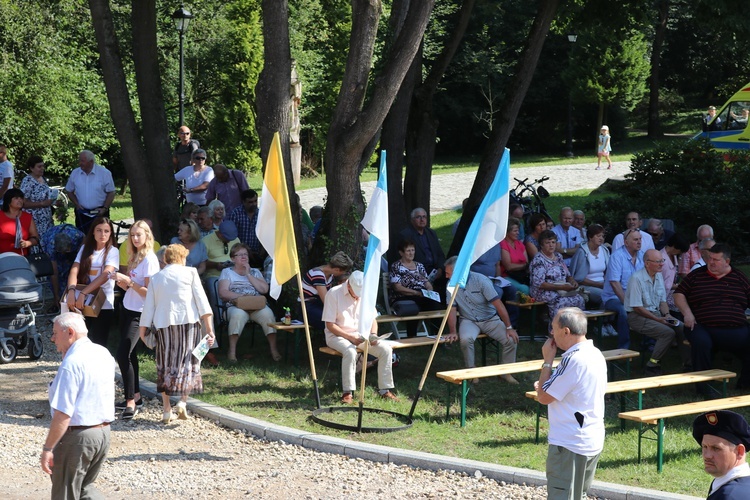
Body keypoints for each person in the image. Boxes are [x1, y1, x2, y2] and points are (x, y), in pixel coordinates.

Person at [534, 307, 607, 500]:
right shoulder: (595, 354)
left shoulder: (573, 360)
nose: (551, 333)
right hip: (590, 437)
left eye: (553, 328)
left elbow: (543, 397)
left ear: (565, 331)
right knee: (578, 495)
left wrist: (547, 361)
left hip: (570, 443)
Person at [41, 313, 115, 499]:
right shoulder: (103, 352)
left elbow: (63, 414)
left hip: (78, 437)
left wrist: (48, 449)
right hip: (102, 433)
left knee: (65, 493)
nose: (52, 338)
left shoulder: (72, 364)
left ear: (70, 332)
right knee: (84, 489)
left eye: (55, 333)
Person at [139, 244, 215, 424]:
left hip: (163, 324)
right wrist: (209, 329)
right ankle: (182, 401)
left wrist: (143, 331)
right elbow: (202, 302)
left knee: (165, 364)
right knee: (190, 360)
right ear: (182, 258)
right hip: (189, 323)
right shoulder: (191, 273)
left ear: (165, 259)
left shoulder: (157, 278)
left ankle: (166, 410)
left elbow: (149, 306)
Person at [674, 244, 750, 389]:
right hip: (703, 326)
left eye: (716, 260)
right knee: (701, 342)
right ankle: (705, 387)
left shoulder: (739, 277)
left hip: (736, 328)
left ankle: (745, 384)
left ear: (727, 262)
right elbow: (679, 293)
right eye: (710, 258)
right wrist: (687, 313)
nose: (711, 262)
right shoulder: (697, 275)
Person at [322, 270, 398, 403]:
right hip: (337, 335)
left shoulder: (366, 293)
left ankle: (384, 390)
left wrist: (373, 335)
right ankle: (348, 392)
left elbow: (372, 319)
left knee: (386, 349)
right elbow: (330, 325)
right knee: (350, 351)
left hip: (360, 335)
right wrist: (350, 338)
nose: (358, 297)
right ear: (349, 285)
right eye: (355, 293)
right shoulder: (333, 293)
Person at [443, 256, 519, 383]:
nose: (446, 276)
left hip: (490, 319)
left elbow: (498, 304)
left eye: (448, 273)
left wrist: (509, 327)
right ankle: (471, 372)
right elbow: (451, 309)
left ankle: (506, 372)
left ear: (458, 272)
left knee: (511, 340)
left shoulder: (481, 280)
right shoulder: (450, 285)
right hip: (469, 320)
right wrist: (452, 331)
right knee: (466, 340)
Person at [113, 221, 159, 420]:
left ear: (147, 236)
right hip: (128, 307)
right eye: (132, 235)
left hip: (140, 313)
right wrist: (121, 283)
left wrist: (129, 282)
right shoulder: (135, 257)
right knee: (130, 355)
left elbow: (150, 293)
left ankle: (131, 400)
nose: (135, 238)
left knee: (122, 354)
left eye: (139, 235)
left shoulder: (149, 259)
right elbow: (132, 288)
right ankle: (136, 396)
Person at [624, 249, 684, 376]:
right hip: (637, 317)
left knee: (681, 326)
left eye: (662, 260)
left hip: (656, 314)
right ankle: (652, 365)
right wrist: (658, 320)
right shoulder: (636, 279)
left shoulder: (658, 276)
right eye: (658, 262)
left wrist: (667, 315)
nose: (662, 264)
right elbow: (637, 308)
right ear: (647, 263)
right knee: (667, 333)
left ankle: (688, 363)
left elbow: (662, 301)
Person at [218, 243, 280, 362]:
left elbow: (264, 290)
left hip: (256, 306)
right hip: (235, 306)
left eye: (245, 254)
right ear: (232, 258)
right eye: (240, 255)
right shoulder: (227, 272)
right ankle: (232, 351)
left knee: (268, 314)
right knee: (238, 315)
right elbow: (223, 292)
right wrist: (242, 297)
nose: (244, 257)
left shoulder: (255, 272)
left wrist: (248, 275)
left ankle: (274, 350)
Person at [66, 217, 119, 347]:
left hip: (103, 303)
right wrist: (71, 290)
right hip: (82, 303)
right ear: (93, 232)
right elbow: (74, 270)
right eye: (99, 230)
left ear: (110, 233)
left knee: (99, 342)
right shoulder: (85, 248)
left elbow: (105, 275)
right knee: (80, 341)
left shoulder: (113, 251)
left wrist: (84, 293)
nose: (103, 234)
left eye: (106, 231)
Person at [529, 230, 586, 330]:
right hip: (543, 291)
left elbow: (567, 274)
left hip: (562, 288)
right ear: (541, 245)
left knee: (579, 299)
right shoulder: (539, 260)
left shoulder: (558, 257)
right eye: (547, 243)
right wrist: (561, 287)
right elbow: (539, 283)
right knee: (561, 301)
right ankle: (555, 332)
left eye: (553, 242)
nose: (551, 245)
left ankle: (576, 329)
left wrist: (572, 281)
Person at [600, 228, 644, 349]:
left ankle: (649, 343)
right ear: (626, 242)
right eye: (635, 239)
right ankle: (623, 347)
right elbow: (615, 283)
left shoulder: (642, 255)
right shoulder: (617, 257)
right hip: (614, 297)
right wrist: (627, 303)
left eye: (640, 239)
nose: (639, 242)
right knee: (624, 311)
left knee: (652, 306)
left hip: (634, 296)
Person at [388, 239, 441, 338]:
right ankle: (411, 336)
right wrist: (415, 293)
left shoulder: (419, 266)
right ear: (401, 253)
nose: (411, 253)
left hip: (420, 295)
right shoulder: (396, 266)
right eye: (408, 250)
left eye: (413, 250)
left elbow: (427, 282)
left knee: (435, 302)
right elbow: (397, 287)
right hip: (402, 296)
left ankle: (437, 335)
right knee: (414, 303)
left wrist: (429, 290)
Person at [692, 410, 750, 498]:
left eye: (716, 448)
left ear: (739, 451)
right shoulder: (730, 484)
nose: (707, 455)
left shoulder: (728, 495)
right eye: (704, 447)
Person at [65, 150, 115, 234]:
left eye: (82, 161)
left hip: (100, 213)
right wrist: (76, 204)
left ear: (91, 161)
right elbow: (69, 190)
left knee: (101, 239)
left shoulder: (104, 173)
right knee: (83, 240)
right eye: (79, 160)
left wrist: (105, 208)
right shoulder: (75, 173)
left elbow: (111, 192)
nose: (80, 163)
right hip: (82, 214)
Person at [301, 251, 353, 329]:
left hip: (318, 306)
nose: (343, 274)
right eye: (343, 271)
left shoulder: (330, 275)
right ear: (337, 269)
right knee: (335, 322)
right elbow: (326, 300)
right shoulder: (317, 275)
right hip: (307, 308)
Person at [395, 207, 446, 279]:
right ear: (412, 220)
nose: (422, 220)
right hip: (416, 273)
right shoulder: (405, 235)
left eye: (424, 217)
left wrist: (440, 269)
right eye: (418, 217)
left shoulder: (431, 233)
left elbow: (440, 254)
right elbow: (403, 258)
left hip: (435, 270)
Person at [41, 223, 85, 306]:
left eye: (66, 251)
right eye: (62, 252)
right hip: (50, 240)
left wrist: (80, 253)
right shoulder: (51, 246)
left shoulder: (76, 235)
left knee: (72, 270)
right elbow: (54, 273)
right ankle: (60, 299)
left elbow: (85, 240)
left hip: (73, 246)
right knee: (59, 274)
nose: (64, 253)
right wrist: (56, 295)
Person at [569, 224, 610, 308]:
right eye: (598, 236)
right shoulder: (582, 252)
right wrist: (599, 285)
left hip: (603, 284)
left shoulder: (604, 250)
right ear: (590, 237)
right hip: (586, 286)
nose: (601, 238)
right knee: (604, 296)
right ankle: (601, 320)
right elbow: (579, 279)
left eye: (602, 236)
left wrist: (606, 283)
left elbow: (608, 271)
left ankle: (611, 320)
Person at [20, 155, 55, 238]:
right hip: (34, 221)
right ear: (31, 168)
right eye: (39, 166)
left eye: (43, 166)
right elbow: (23, 203)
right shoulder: (28, 181)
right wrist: (42, 203)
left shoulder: (43, 179)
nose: (42, 168)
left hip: (46, 220)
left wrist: (54, 202)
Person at [228, 189, 265, 267]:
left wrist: (261, 254)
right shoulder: (235, 214)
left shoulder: (261, 214)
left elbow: (264, 235)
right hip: (240, 254)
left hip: (257, 254)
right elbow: (232, 236)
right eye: (250, 202)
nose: (254, 204)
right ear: (243, 202)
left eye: (255, 201)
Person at [0, 188, 40, 255]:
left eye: (21, 198)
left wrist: (27, 243)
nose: (20, 200)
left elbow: (35, 238)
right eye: (16, 198)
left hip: (22, 258)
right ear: (8, 201)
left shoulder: (27, 217)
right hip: (2, 257)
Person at [660, 233, 689, 314]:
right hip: (661, 300)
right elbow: (664, 284)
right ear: (675, 246)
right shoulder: (661, 259)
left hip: (669, 296)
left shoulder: (674, 257)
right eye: (680, 250)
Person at [500, 217, 530, 294]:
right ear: (507, 232)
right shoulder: (503, 244)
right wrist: (523, 266)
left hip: (521, 275)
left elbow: (526, 262)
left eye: (518, 230)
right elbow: (508, 266)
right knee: (524, 289)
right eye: (515, 231)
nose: (518, 233)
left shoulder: (520, 244)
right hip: (506, 276)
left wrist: (524, 265)